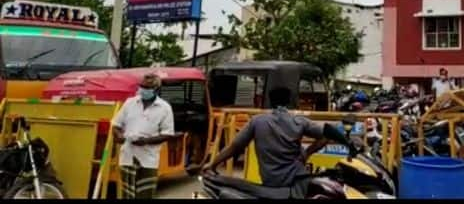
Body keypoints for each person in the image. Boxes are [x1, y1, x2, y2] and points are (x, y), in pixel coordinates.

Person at [202, 86, 353, 198]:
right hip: (296, 183)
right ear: (290, 101)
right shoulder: (298, 121)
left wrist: (213, 164)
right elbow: (326, 133)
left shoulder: (257, 121)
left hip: (272, 183)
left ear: (269, 101)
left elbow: (235, 147)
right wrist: (307, 153)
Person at [111, 73, 179, 199]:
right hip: (128, 156)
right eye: (141, 86)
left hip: (148, 158)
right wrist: (119, 135)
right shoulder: (130, 103)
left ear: (156, 89)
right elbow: (116, 124)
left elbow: (168, 134)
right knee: (127, 194)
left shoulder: (164, 108)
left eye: (147, 88)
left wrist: (146, 141)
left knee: (145, 194)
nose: (143, 90)